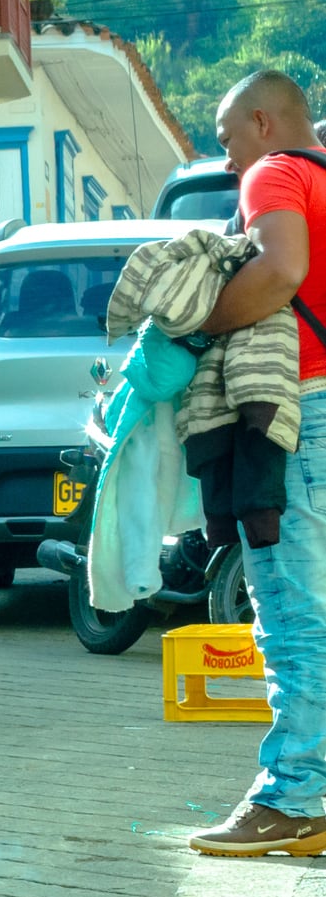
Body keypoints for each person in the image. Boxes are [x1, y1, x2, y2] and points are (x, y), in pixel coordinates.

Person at [189, 70, 326, 857]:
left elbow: (277, 272)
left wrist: (200, 323)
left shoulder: (274, 173)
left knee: (290, 608)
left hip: (297, 407)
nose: (228, 157)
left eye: (227, 138)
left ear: (263, 122)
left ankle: (295, 795)